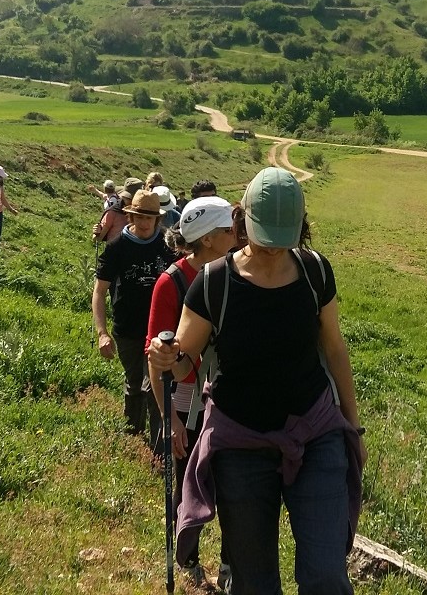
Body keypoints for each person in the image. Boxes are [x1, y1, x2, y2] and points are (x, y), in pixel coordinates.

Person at [150, 167, 364, 594]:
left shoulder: (315, 273)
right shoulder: (214, 283)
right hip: (240, 441)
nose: (272, 248)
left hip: (315, 430)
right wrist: (166, 356)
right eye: (265, 235)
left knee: (326, 575)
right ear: (240, 218)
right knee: (254, 583)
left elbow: (335, 350)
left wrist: (352, 427)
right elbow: (185, 362)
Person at [145, 196, 240, 584]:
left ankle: (230, 564)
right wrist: (170, 422)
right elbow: (156, 356)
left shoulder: (237, 274)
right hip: (185, 404)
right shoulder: (172, 283)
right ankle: (188, 560)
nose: (237, 234)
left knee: (232, 484)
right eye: (230, 229)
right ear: (209, 238)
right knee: (188, 485)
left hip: (225, 400)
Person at [94, 189, 178, 437]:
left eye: (149, 218)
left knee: (155, 388)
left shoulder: (167, 245)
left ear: (157, 219)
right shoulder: (117, 247)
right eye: (139, 217)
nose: (144, 223)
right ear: (131, 217)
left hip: (161, 330)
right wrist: (102, 333)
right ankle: (133, 437)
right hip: (128, 328)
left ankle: (157, 451)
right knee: (134, 386)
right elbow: (99, 292)